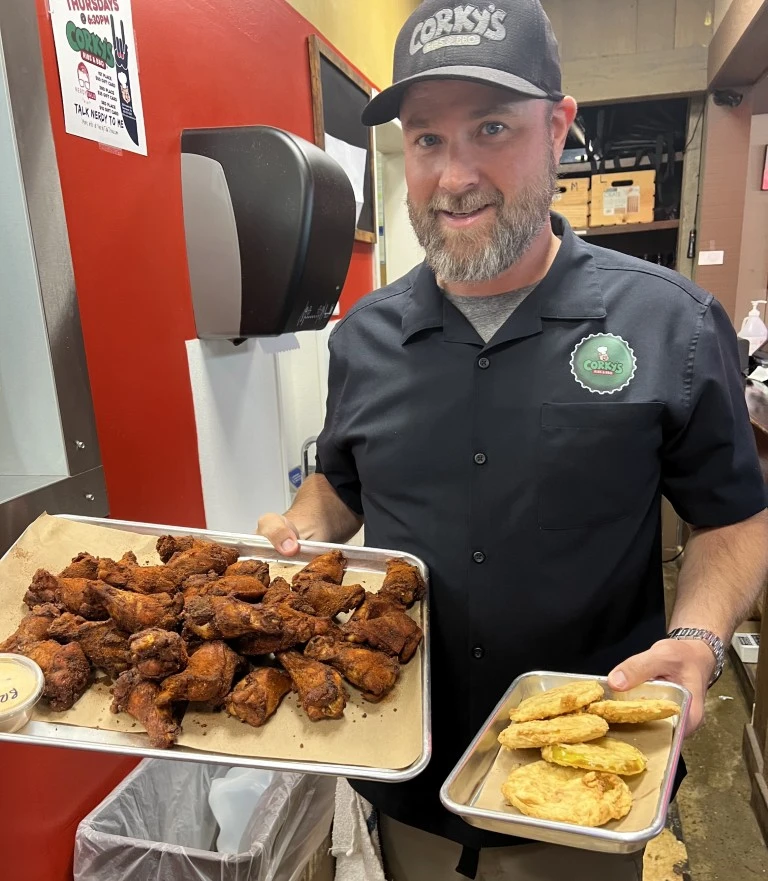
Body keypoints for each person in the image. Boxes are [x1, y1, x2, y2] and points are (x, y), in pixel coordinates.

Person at [258, 1, 768, 877]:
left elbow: (734, 518)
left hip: (582, 792)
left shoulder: (670, 325)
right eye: (426, 140)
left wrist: (704, 639)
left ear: (559, 127)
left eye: (490, 127)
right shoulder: (363, 338)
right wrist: (295, 534)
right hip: (402, 765)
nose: (454, 176)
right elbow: (340, 484)